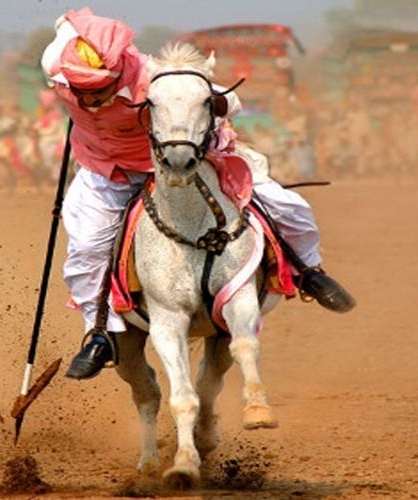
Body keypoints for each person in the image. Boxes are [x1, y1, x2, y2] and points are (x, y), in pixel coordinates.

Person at [41, 7, 356, 380]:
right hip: (103, 170)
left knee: (289, 206)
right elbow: (67, 26)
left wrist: (219, 106)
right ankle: (99, 334)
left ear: (118, 75)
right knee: (86, 250)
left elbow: (225, 99)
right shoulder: (57, 63)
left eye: (100, 91)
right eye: (82, 93)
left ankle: (308, 272)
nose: (91, 101)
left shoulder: (151, 75)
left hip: (176, 163)